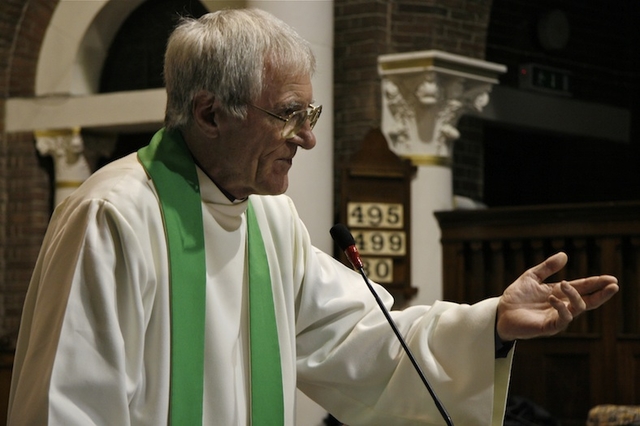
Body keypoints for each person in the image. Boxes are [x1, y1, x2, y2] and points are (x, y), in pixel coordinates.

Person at [7, 8, 619, 426]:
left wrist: (492, 325)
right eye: (287, 115)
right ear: (210, 112)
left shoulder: (271, 222)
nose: (308, 139)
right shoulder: (113, 218)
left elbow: (363, 339)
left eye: (311, 114)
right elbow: (70, 409)